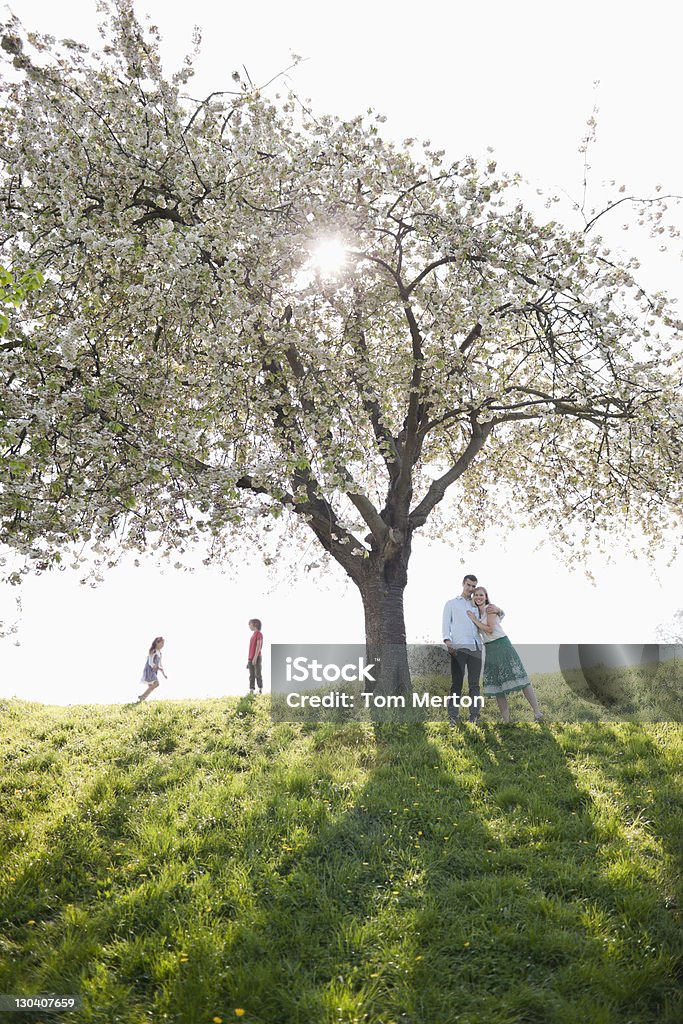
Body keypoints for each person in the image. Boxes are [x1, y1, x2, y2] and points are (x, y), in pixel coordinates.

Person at [468, 586, 543, 722]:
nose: (478, 597)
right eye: (476, 595)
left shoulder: (490, 608)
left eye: (481, 595)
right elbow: (500, 616)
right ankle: (506, 719)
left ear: (485, 596)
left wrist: (474, 620)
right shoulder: (477, 613)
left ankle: (537, 713)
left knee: (520, 677)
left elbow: (490, 629)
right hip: (490, 648)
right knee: (497, 685)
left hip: (502, 644)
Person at [442, 574, 503, 726]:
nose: (471, 589)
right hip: (459, 648)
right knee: (456, 683)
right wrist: (448, 642)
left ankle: (474, 716)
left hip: (476, 648)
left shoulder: (476, 604)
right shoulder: (451, 603)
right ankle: (452, 717)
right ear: (463, 584)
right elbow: (445, 626)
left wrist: (499, 610)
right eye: (468, 585)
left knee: (474, 684)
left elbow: (495, 618)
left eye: (473, 586)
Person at [137, 636, 167, 702]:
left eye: (163, 644)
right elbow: (150, 662)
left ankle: (142, 699)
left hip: (154, 670)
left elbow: (160, 664)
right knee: (156, 684)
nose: (163, 645)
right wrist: (156, 667)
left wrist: (163, 674)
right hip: (150, 670)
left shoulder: (160, 653)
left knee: (151, 686)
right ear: (157, 643)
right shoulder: (153, 651)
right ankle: (142, 697)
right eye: (162, 643)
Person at [247, 618, 263, 693]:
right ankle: (251, 690)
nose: (249, 626)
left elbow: (258, 645)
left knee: (257, 674)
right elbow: (251, 648)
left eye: (249, 624)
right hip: (251, 658)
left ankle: (260, 689)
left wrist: (255, 657)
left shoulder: (258, 634)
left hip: (256, 657)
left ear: (254, 624)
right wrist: (249, 660)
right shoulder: (253, 635)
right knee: (251, 675)